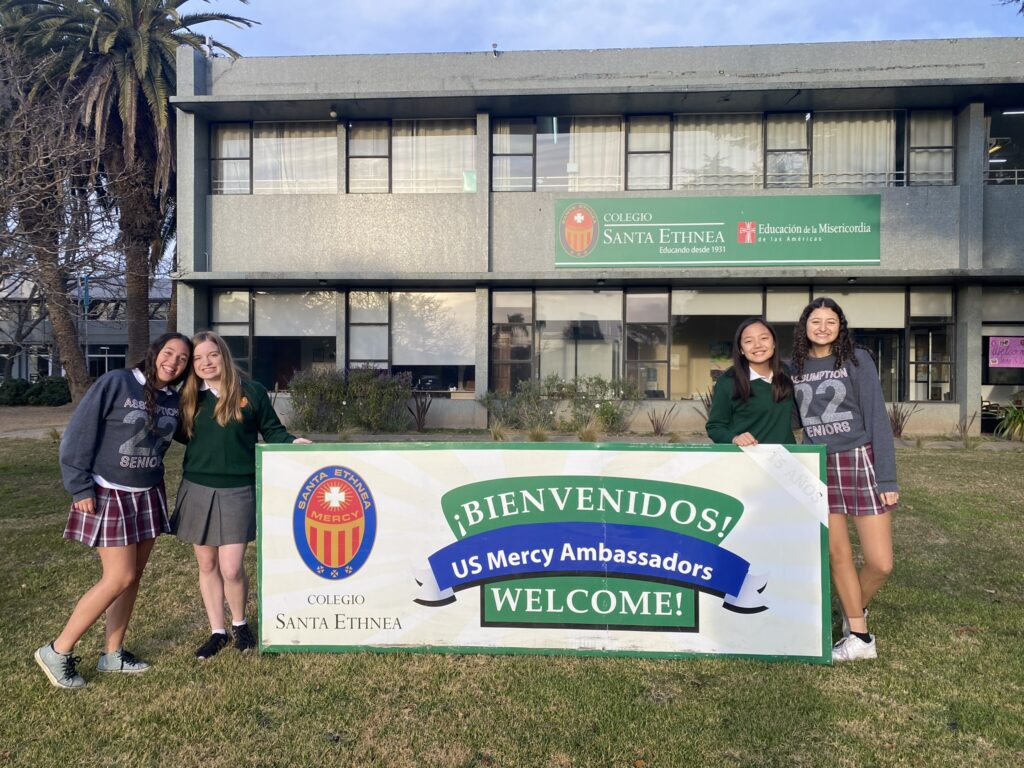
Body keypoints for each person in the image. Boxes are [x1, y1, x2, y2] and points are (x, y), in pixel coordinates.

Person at [35, 333, 192, 688]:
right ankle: (58, 650)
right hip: (109, 491)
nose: (173, 362)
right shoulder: (117, 381)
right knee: (117, 577)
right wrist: (79, 485)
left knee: (132, 578)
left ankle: (113, 653)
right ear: (154, 353)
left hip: (148, 493)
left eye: (182, 359)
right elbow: (78, 433)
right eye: (169, 353)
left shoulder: (173, 399)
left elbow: (194, 431)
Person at [171, 331, 310, 659]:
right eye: (198, 358)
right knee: (206, 563)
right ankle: (217, 631)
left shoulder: (253, 391)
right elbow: (176, 434)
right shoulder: (188, 397)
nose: (205, 363)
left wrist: (291, 443)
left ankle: (240, 624)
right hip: (197, 487)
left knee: (231, 567)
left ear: (224, 357)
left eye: (212, 355)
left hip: (238, 489)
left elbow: (272, 430)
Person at [791, 297, 898, 662]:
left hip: (859, 460)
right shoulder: (795, 366)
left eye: (830, 321)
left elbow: (877, 419)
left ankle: (851, 613)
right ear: (805, 326)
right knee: (838, 555)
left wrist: (887, 479)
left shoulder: (857, 359)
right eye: (815, 320)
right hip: (818, 463)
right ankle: (860, 638)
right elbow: (782, 413)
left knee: (880, 562)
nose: (822, 327)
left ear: (841, 326)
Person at [706, 316, 795, 446]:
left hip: (786, 458)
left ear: (774, 343)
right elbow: (715, 427)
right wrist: (735, 438)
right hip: (749, 460)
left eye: (764, 338)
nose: (757, 345)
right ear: (741, 349)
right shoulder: (728, 382)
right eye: (748, 341)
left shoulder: (786, 373)